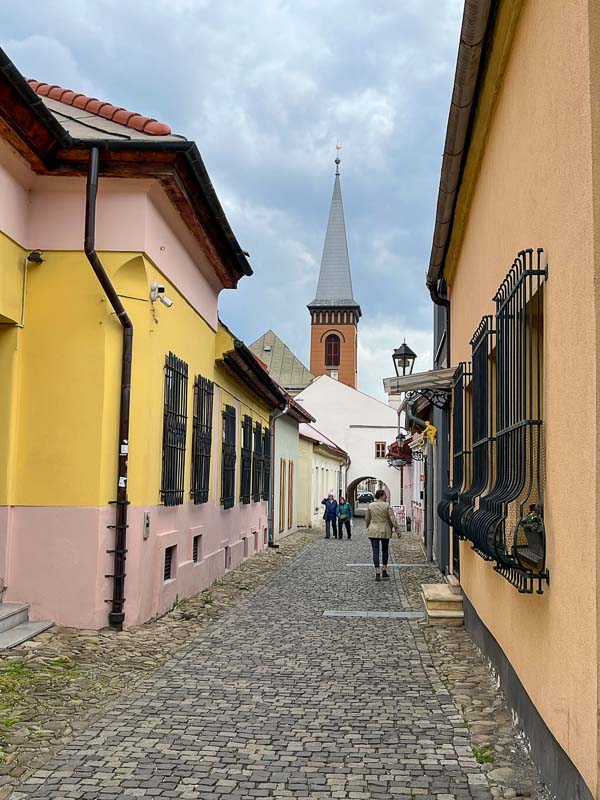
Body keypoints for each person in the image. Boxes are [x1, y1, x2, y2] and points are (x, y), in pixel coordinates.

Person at [365, 489, 399, 581]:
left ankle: (377, 572)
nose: (386, 497)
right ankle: (384, 570)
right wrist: (396, 529)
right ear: (381, 495)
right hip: (384, 529)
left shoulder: (371, 505)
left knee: (375, 551)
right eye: (385, 495)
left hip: (373, 530)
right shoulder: (387, 505)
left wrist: (368, 526)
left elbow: (367, 518)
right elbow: (392, 518)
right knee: (385, 550)